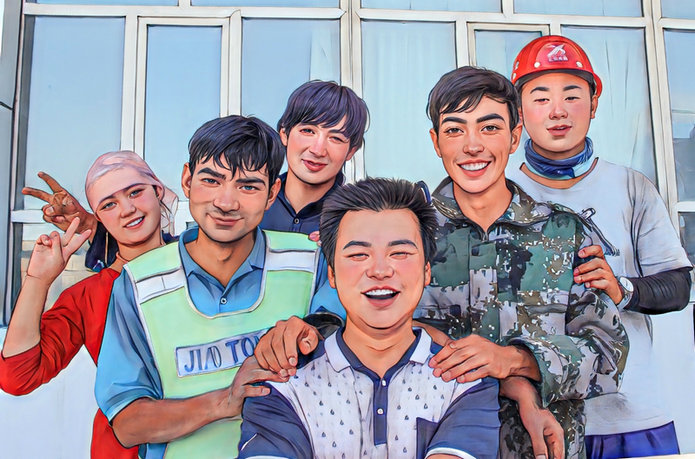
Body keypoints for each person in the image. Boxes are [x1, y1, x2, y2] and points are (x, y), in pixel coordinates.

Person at [94, 115, 344, 459]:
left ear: (272, 193)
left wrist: (312, 330)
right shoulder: (139, 283)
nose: (226, 202)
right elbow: (126, 422)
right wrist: (225, 401)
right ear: (187, 180)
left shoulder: (311, 262)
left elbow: (356, 337)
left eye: (248, 186)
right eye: (211, 180)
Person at [412, 65, 628, 459]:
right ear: (435, 141)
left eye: (489, 128)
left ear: (514, 137)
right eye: (455, 130)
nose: (472, 146)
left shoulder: (564, 233)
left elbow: (608, 355)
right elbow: (374, 339)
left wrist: (517, 360)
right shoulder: (408, 233)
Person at [506, 35, 692, 458]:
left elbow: (678, 286)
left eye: (572, 95)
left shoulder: (631, 187)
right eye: (541, 97)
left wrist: (621, 287)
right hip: (536, 420)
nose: (557, 110)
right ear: (519, 110)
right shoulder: (500, 194)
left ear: (593, 103)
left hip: (631, 417)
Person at [239, 178, 501, 459]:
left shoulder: (466, 382)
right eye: (358, 254)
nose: (380, 270)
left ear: (426, 271)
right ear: (332, 274)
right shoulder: (282, 385)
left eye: (399, 253)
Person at [0, 150, 179, 458]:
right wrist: (37, 280)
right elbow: (18, 376)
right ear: (99, 216)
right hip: (123, 449)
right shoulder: (87, 296)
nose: (127, 210)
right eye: (109, 204)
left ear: (158, 191)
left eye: (135, 192)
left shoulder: (203, 262)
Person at [261, 79, 369, 234]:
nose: (317, 150)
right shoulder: (252, 202)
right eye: (308, 131)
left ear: (351, 151)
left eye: (335, 138)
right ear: (284, 135)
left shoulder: (358, 220)